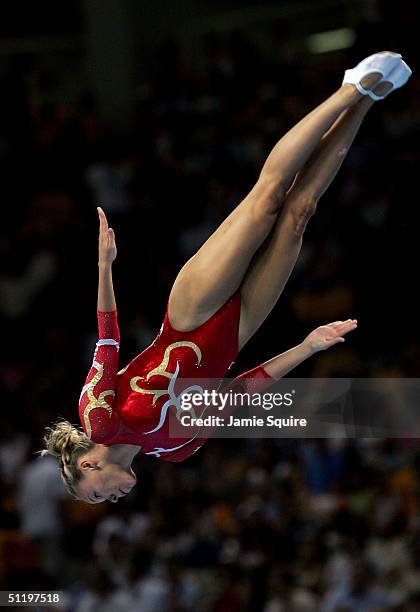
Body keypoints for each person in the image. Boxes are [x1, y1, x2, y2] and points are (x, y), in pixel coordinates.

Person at [40, 52, 411, 503]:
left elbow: (107, 340)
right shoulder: (178, 448)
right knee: (299, 214)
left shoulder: (100, 419)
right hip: (238, 333)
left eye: (96, 495)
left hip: (189, 314)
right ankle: (368, 100)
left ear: (88, 464)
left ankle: (348, 89)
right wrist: (307, 347)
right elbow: (241, 391)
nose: (109, 500)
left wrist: (104, 267)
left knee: (268, 201)